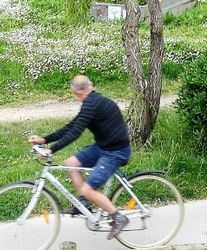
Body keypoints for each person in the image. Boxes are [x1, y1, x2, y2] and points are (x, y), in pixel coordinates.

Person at [29, 75, 132, 240]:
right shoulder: (91, 102)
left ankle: (118, 217)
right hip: (103, 146)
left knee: (88, 188)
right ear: (90, 86)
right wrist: (45, 139)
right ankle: (83, 204)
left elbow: (75, 133)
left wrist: (51, 150)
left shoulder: (92, 105)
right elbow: (71, 126)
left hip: (115, 151)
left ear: (75, 92)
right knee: (71, 164)